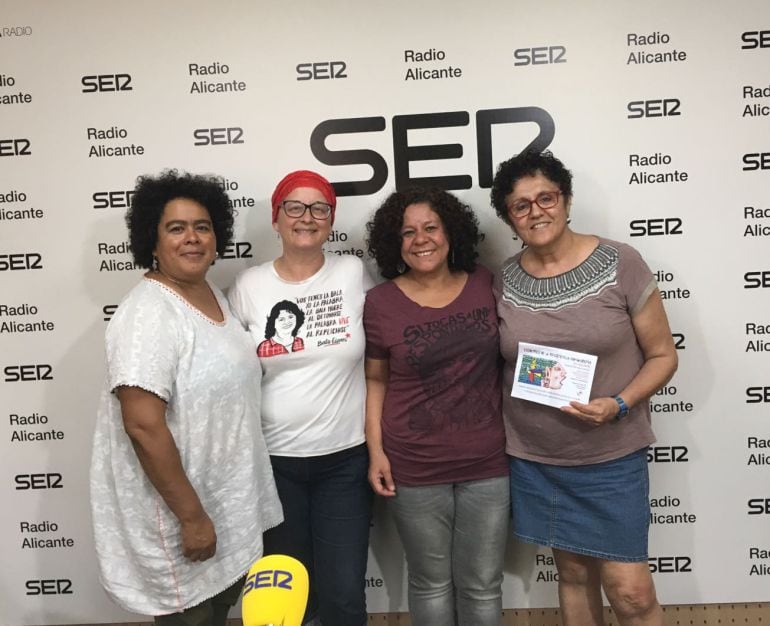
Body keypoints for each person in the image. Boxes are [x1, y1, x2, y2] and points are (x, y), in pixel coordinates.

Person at [491, 150, 678, 626]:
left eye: (546, 197)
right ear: (509, 218)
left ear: (567, 200)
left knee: (632, 592)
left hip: (611, 455)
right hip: (539, 459)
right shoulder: (503, 281)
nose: (536, 211)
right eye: (521, 205)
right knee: (572, 574)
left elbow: (663, 355)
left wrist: (619, 403)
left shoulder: (620, 262)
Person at [90, 170, 282, 624]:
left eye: (202, 226)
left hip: (224, 505)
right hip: (181, 520)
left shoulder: (210, 293)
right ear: (152, 242)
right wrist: (193, 519)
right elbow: (142, 425)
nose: (192, 238)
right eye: (176, 228)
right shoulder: (147, 314)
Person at [228, 170, 372, 626]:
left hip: (344, 461)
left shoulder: (353, 273)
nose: (306, 217)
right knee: (287, 601)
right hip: (274, 466)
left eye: (319, 208)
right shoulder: (249, 286)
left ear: (331, 219)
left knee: (344, 594)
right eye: (294, 207)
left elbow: (383, 359)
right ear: (275, 219)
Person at [364, 187, 509, 626]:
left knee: (482, 584)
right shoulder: (380, 303)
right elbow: (375, 380)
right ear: (395, 243)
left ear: (451, 233)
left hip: (487, 462)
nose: (420, 239)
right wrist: (376, 451)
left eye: (431, 227)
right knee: (429, 583)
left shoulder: (486, 282)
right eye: (408, 232)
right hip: (414, 465)